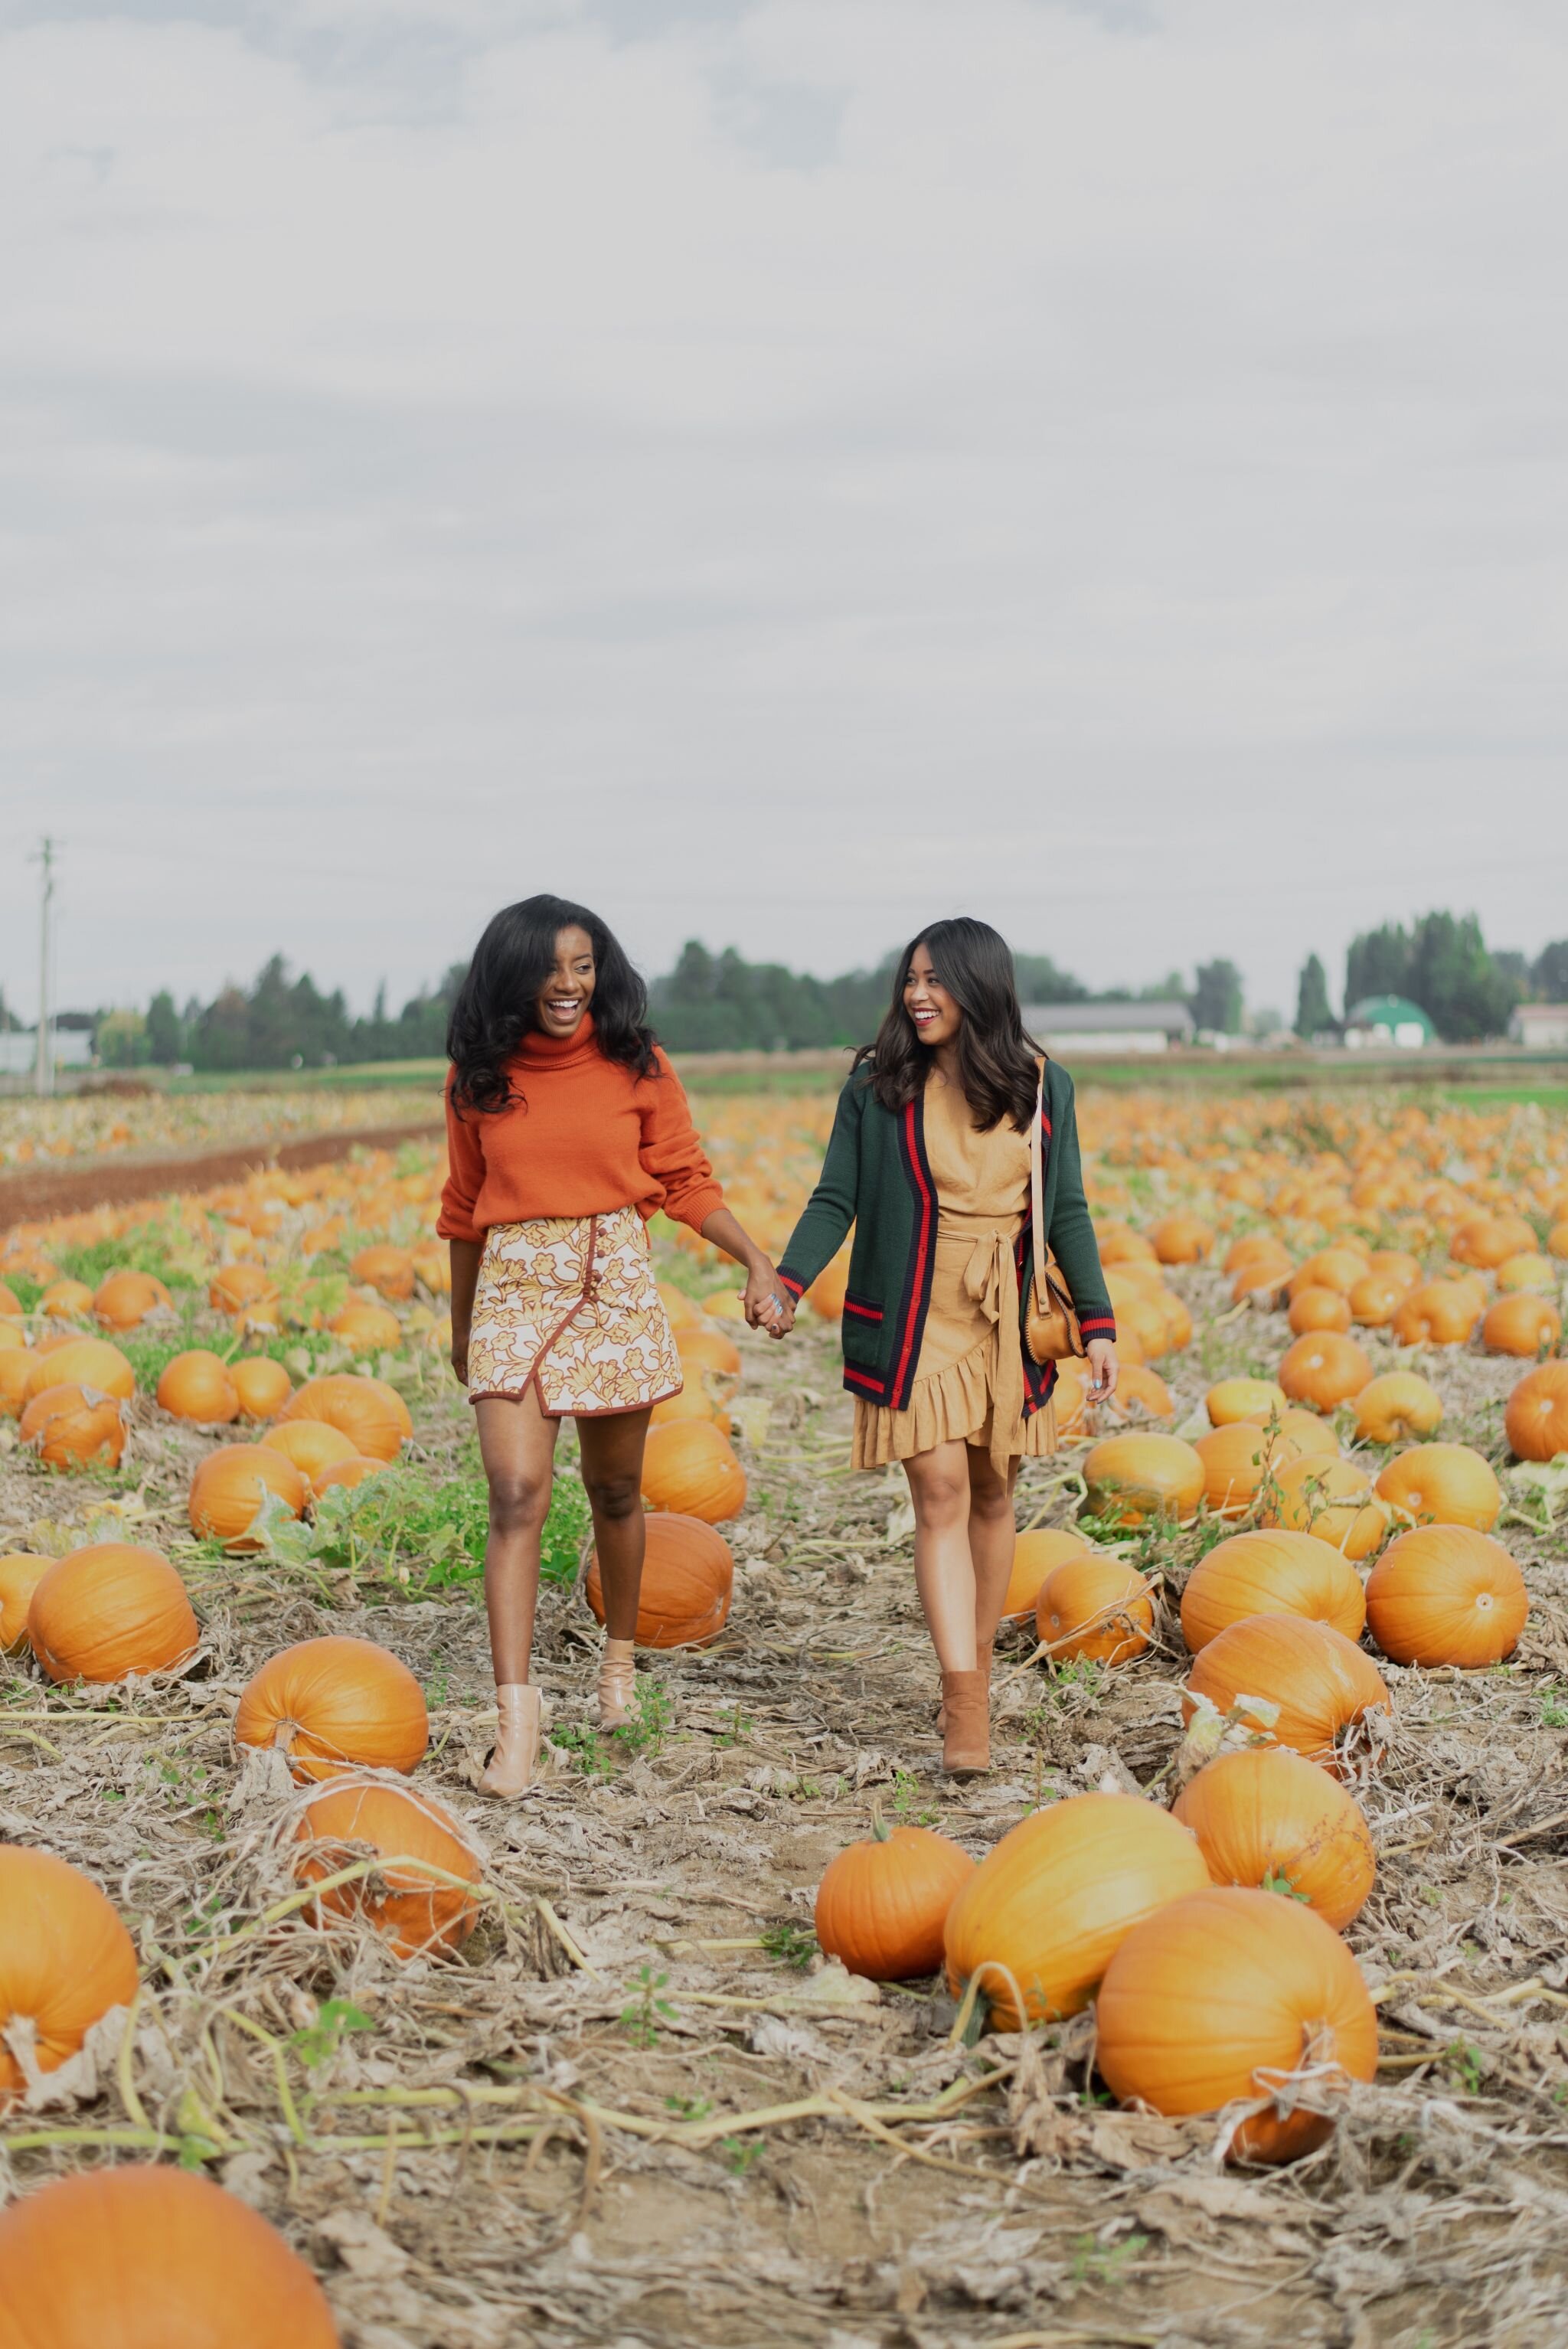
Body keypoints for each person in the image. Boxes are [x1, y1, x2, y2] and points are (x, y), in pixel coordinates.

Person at [439, 894, 792, 1799]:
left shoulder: (637, 1064)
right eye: (550, 967)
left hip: (612, 1280)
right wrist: (462, 1324)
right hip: (516, 1285)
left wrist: (755, 1257)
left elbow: (682, 1175)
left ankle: (618, 1666)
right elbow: (461, 1210)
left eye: (583, 965)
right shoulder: (477, 1074)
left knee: (615, 1489)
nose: (567, 984)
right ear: (512, 974)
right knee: (514, 1491)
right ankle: (516, 1724)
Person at [775, 919, 1117, 1776]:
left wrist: (1101, 1323)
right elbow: (835, 1196)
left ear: (980, 986)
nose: (917, 994)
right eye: (910, 978)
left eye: (936, 979)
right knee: (938, 1489)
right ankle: (962, 1699)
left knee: (993, 1494)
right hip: (912, 1310)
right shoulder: (877, 1084)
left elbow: (1065, 1207)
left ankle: (976, 1663)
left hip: (1003, 1312)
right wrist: (786, 1280)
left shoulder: (1043, 1086)